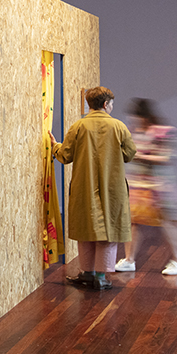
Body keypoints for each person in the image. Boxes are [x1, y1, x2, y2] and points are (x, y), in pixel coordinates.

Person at [49, 86, 137, 290]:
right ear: (106, 104)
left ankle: (86, 273)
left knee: (85, 229)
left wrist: (54, 146)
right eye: (112, 103)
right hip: (112, 188)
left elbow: (65, 156)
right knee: (108, 229)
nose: (112, 107)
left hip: (83, 186)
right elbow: (130, 154)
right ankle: (100, 276)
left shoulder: (78, 126)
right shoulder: (118, 126)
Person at [115, 98, 177, 275]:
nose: (134, 120)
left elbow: (167, 158)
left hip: (161, 187)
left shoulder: (165, 132)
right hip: (138, 187)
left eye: (136, 116)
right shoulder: (133, 131)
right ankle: (129, 259)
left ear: (144, 116)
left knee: (168, 223)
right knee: (134, 223)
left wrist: (140, 156)